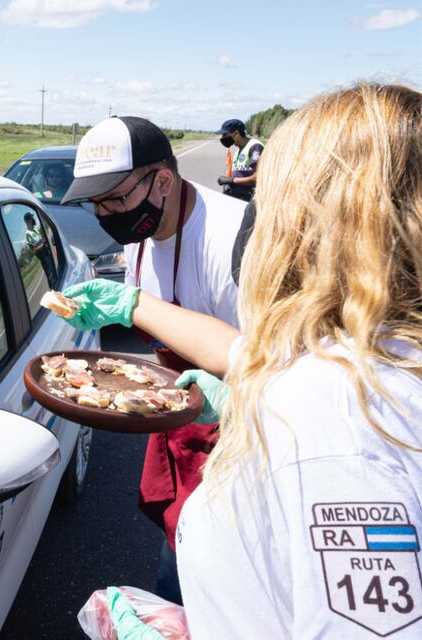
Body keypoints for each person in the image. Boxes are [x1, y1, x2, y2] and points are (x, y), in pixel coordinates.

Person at [61, 83, 422, 638]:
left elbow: (264, 359)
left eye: (274, 199)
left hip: (234, 448)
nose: (261, 221)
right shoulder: (360, 364)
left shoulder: (339, 429)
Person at [60, 115, 247, 603]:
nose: (104, 215)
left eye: (114, 199)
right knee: (179, 561)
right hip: (183, 431)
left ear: (162, 181)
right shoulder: (140, 237)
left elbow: (268, 360)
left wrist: (233, 399)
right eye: (95, 204)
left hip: (242, 443)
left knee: (225, 583)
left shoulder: (235, 239)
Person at [215, 118, 263, 201]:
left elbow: (258, 178)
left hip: (251, 200)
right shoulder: (238, 151)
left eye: (225, 135)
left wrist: (232, 180)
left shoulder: (255, 147)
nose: (222, 138)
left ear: (236, 133)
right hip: (238, 198)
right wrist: (229, 182)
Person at [24, 211, 56, 283]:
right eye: (32, 218)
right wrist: (43, 244)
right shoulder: (28, 234)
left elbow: (41, 240)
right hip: (44, 258)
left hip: (47, 254)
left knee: (54, 272)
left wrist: (43, 242)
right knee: (51, 277)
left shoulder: (35, 229)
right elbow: (34, 250)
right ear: (28, 221)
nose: (33, 219)